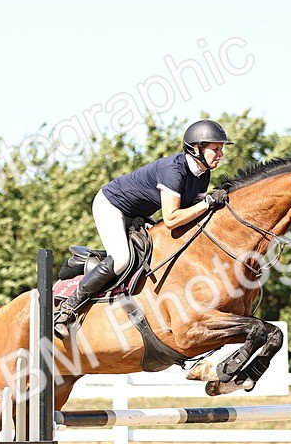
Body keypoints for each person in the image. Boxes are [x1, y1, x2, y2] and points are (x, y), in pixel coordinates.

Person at [52, 119, 233, 340]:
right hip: (111, 205)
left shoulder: (202, 174)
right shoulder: (173, 171)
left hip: (137, 214)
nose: (220, 154)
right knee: (121, 259)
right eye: (215, 149)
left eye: (221, 149)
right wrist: (207, 203)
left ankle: (95, 263)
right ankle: (66, 310)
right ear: (196, 148)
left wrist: (213, 198)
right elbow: (172, 218)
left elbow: (189, 208)